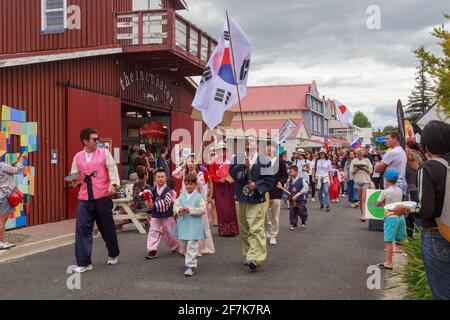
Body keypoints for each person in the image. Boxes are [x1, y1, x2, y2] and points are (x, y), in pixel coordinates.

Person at [394, 121, 450, 299]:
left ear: (426, 144)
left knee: (442, 294)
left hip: (437, 235)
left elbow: (426, 209)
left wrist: (408, 208)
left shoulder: (429, 167)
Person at [70, 128, 120, 273]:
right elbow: (74, 175)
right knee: (82, 228)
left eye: (98, 139)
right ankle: (84, 262)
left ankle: (113, 253)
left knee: (107, 227)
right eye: (94, 139)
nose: (97, 141)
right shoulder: (77, 157)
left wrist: (113, 185)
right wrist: (73, 180)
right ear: (85, 141)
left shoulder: (104, 153)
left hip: (102, 196)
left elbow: (112, 170)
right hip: (84, 197)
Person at [230, 136, 274, 272]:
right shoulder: (237, 158)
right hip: (241, 197)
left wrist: (257, 185)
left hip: (256, 198)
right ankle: (248, 253)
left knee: (255, 228)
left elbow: (269, 181)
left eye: (252, 140)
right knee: (244, 228)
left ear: (257, 144)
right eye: (246, 140)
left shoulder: (265, 161)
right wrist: (243, 166)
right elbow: (232, 173)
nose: (248, 142)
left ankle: (255, 257)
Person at [172, 154, 215, 255]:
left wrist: (196, 177)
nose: (191, 164)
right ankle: (185, 248)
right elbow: (174, 173)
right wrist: (182, 166)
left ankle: (199, 248)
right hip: (184, 199)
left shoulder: (200, 173)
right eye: (189, 161)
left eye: (193, 161)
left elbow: (201, 187)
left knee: (198, 225)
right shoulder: (184, 172)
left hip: (196, 201)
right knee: (185, 224)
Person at [173, 174, 207, 276]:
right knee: (184, 244)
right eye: (186, 184)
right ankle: (189, 261)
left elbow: (202, 210)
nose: (188, 186)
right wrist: (179, 209)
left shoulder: (198, 197)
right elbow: (175, 205)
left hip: (194, 225)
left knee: (192, 244)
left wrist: (190, 210)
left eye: (191, 184)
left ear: (195, 185)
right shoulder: (182, 195)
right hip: (183, 224)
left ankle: (191, 266)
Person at [376, 169, 406, 271]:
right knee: (402, 239)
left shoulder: (385, 191)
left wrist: (384, 203)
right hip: (400, 216)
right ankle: (412, 258)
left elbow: (377, 204)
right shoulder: (399, 190)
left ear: (386, 179)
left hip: (390, 216)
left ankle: (388, 263)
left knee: (388, 241)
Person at [145, 169, 179, 259]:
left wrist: (154, 205)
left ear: (165, 178)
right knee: (153, 231)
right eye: (158, 177)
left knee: (170, 233)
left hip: (167, 215)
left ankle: (175, 246)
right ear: (155, 178)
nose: (160, 179)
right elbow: (150, 199)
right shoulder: (153, 189)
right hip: (156, 215)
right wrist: (148, 203)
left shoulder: (168, 190)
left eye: (162, 177)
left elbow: (167, 202)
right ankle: (152, 250)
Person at [209, 142, 239, 237]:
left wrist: (231, 178)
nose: (222, 152)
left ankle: (233, 229)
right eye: (220, 150)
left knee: (231, 207)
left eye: (224, 150)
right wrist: (219, 179)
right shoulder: (213, 163)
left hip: (230, 187)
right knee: (222, 208)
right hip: (220, 188)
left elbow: (234, 173)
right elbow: (212, 175)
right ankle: (224, 230)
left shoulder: (230, 161)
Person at [0, 152, 27, 250]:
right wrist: (21, 160)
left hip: (1, 195)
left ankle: (2, 241)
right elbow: (16, 171)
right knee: (2, 220)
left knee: (2, 220)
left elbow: (7, 171)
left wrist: (13, 162)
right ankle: (1, 242)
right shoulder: (1, 165)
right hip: (5, 195)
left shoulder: (2, 166)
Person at [265, 141, 288, 245]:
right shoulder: (262, 161)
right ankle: (269, 229)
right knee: (263, 213)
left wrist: (281, 181)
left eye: (271, 147)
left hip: (276, 191)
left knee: (275, 216)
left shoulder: (281, 162)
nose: (269, 149)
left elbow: (285, 176)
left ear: (275, 149)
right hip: (264, 191)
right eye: (267, 147)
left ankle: (273, 235)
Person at [375, 132, 407, 196]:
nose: (385, 141)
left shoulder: (392, 152)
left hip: (393, 187)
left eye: (387, 139)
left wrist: (382, 166)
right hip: (400, 185)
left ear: (395, 139)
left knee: (391, 206)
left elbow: (377, 169)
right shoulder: (402, 151)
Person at [350, 147, 373, 222]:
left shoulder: (367, 160)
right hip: (357, 181)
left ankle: (364, 215)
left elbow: (370, 171)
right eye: (358, 154)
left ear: (363, 154)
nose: (359, 156)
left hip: (365, 181)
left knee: (363, 199)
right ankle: (362, 213)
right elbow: (351, 173)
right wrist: (356, 169)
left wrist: (364, 168)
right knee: (360, 199)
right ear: (356, 154)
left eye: (360, 154)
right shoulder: (353, 161)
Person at [287, 165, 309, 229]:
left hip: (300, 199)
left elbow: (306, 187)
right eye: (289, 172)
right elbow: (286, 187)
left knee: (301, 210)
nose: (290, 173)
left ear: (296, 172)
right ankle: (294, 224)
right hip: (292, 198)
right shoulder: (289, 180)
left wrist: (300, 193)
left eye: (291, 172)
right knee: (292, 211)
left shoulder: (301, 179)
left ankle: (303, 220)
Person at [405, 147, 420, 235]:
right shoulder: (415, 164)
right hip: (415, 190)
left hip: (408, 190)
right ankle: (417, 232)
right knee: (415, 211)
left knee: (408, 213)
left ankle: (409, 232)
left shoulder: (405, 166)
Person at [312, 148, 332, 212]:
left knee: (326, 191)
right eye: (320, 153)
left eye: (323, 153)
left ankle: (327, 206)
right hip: (318, 178)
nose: (321, 154)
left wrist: (331, 179)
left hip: (325, 177)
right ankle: (322, 204)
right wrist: (313, 177)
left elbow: (330, 171)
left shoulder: (328, 161)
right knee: (319, 193)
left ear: (325, 154)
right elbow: (313, 169)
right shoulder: (316, 161)